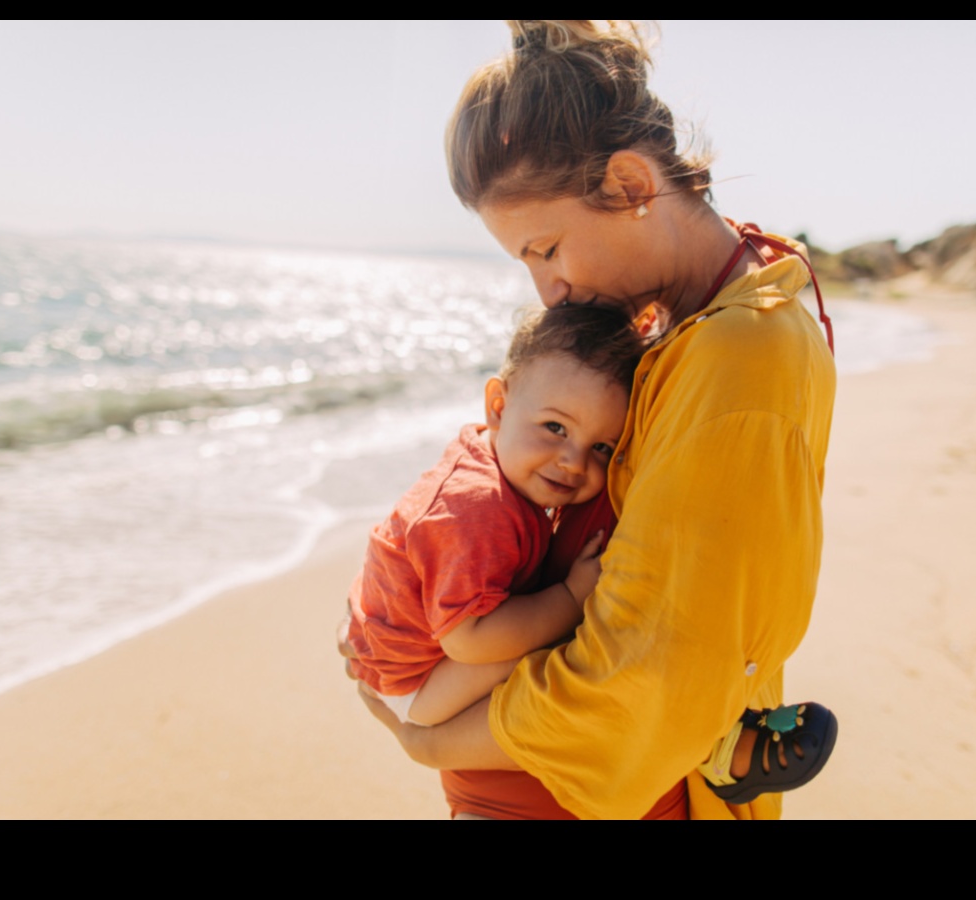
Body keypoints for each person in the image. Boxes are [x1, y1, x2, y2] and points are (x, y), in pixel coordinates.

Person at [342, 19, 838, 820]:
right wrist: (397, 601)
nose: (549, 291)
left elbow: (646, 678)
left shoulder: (740, 355)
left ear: (633, 186)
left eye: (548, 249)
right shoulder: (682, 317)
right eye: (526, 263)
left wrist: (429, 739)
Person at [344, 304, 641, 731]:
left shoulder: (493, 452)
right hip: (410, 684)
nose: (574, 462)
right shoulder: (479, 508)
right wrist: (572, 598)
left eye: (602, 448)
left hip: (388, 637)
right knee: (544, 649)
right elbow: (469, 640)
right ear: (498, 407)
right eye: (555, 428)